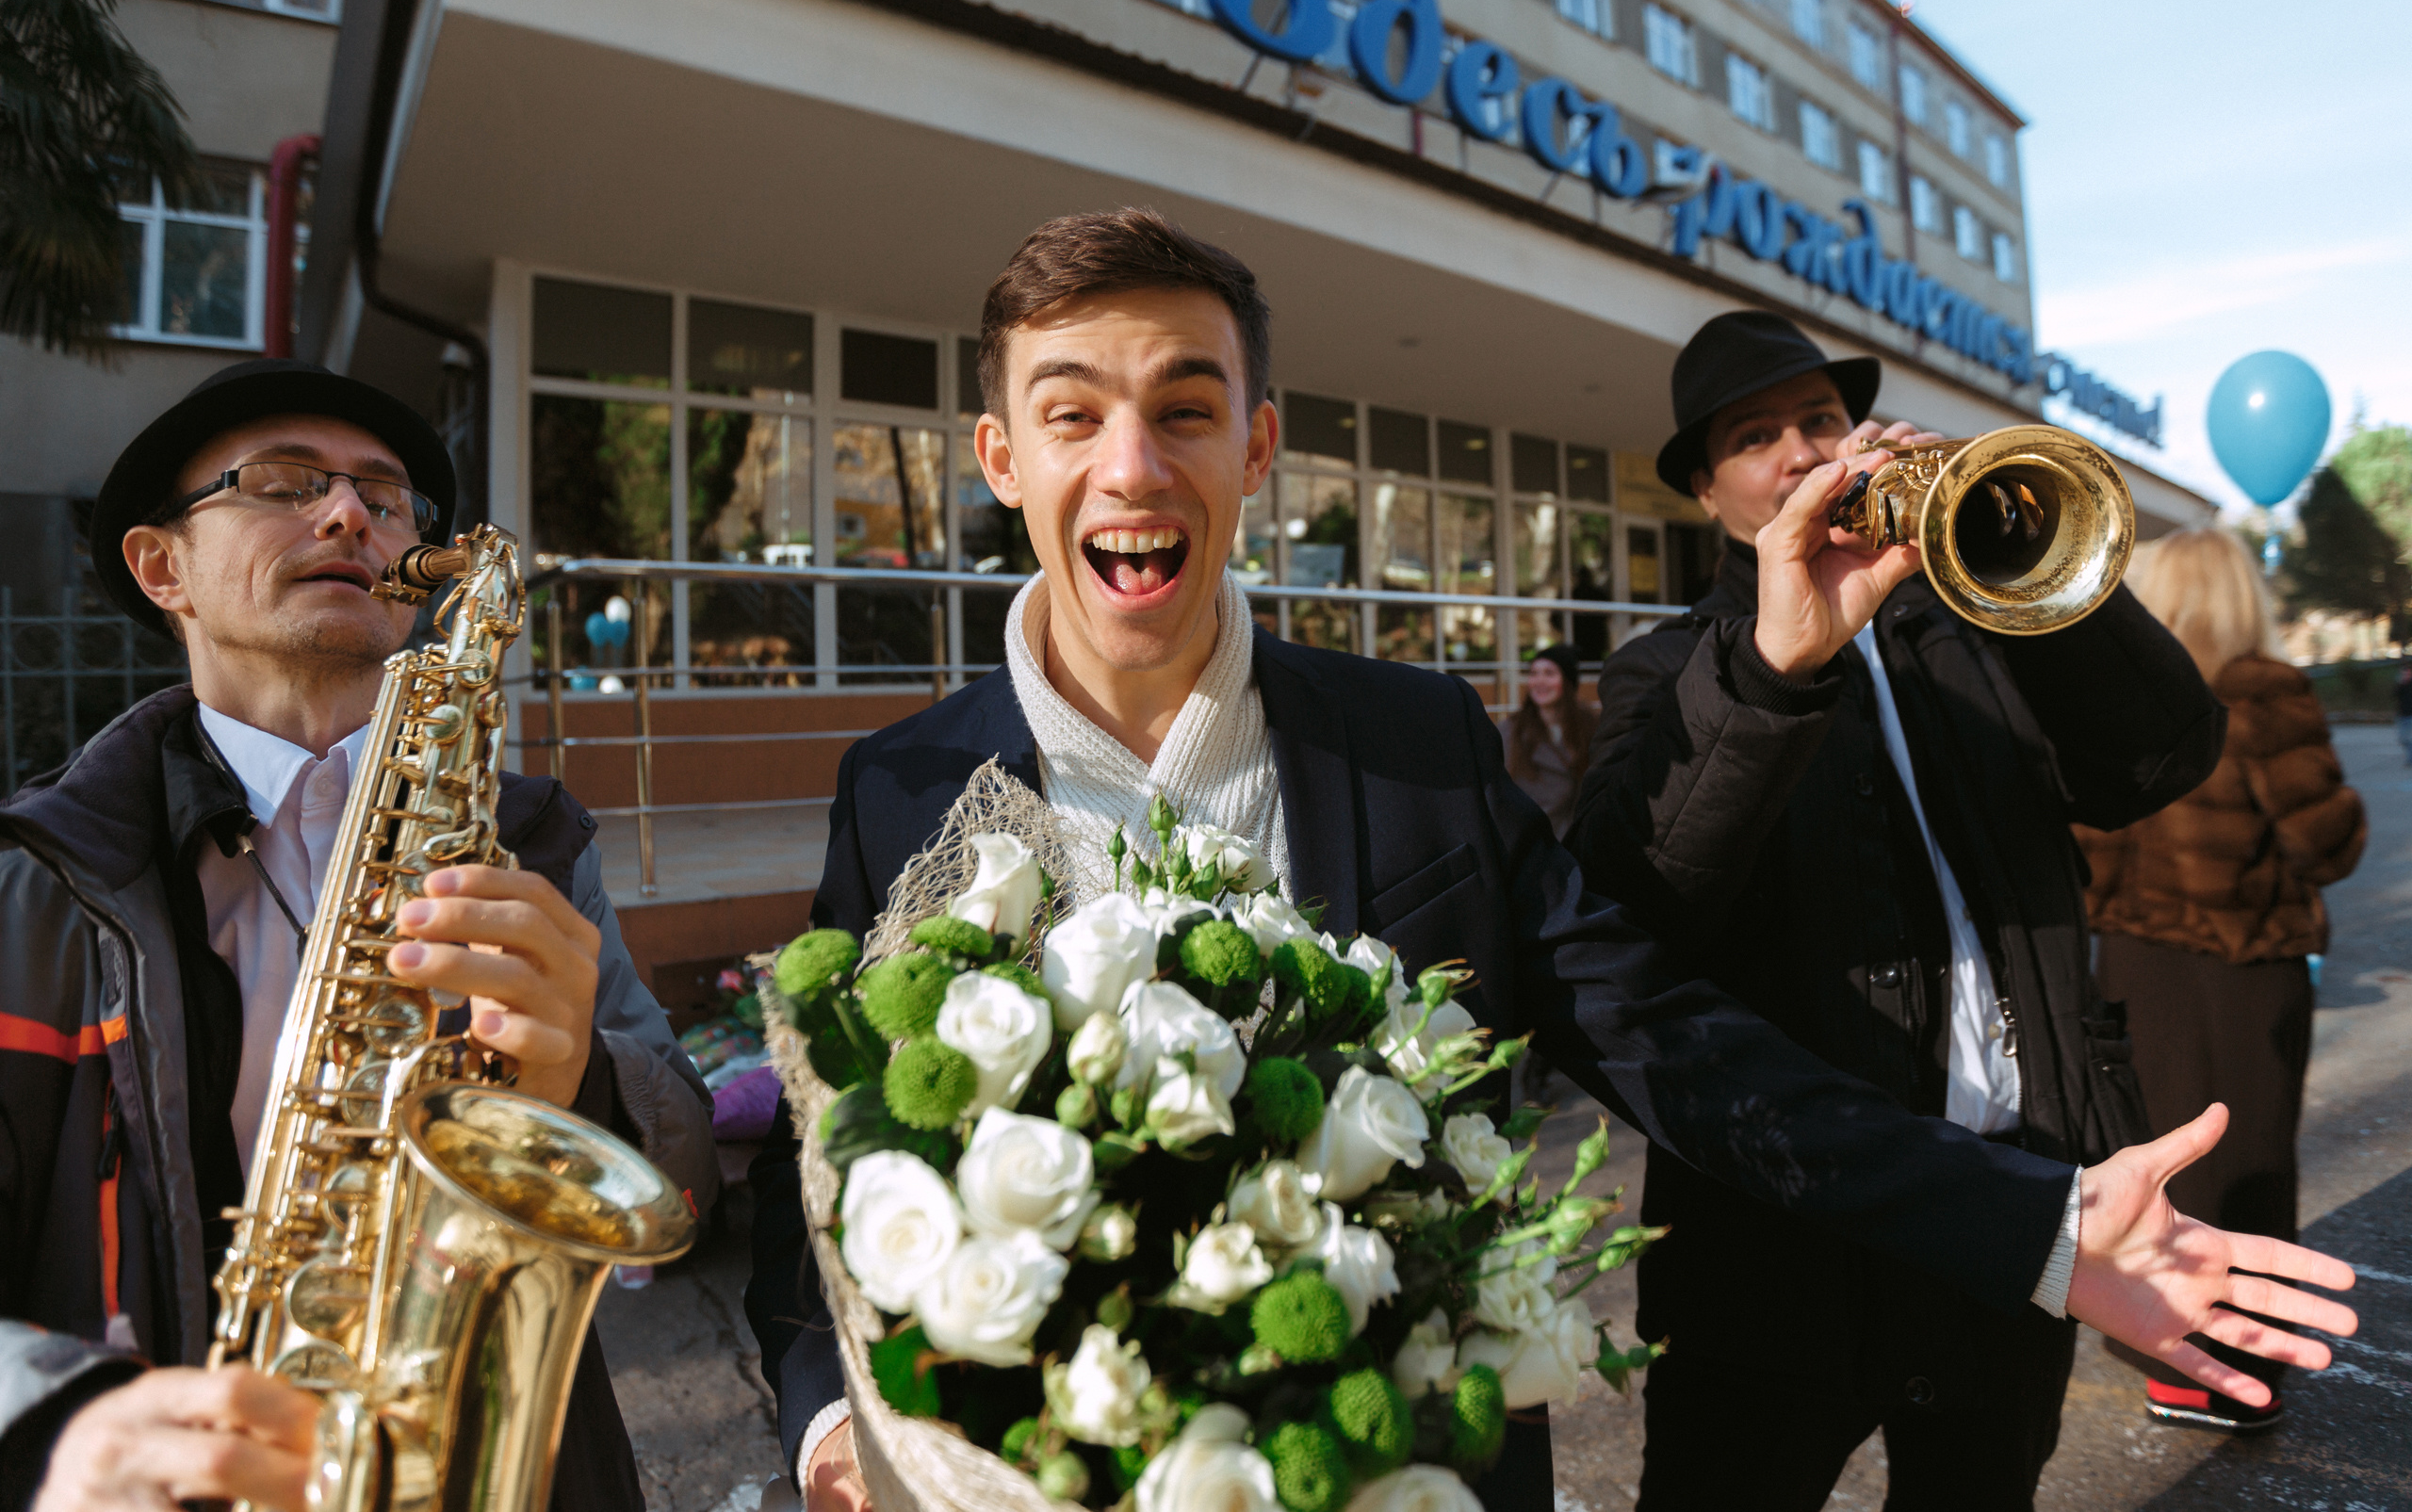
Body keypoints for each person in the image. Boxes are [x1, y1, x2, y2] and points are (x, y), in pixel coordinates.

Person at [746, 213, 2359, 1512]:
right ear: (998, 459)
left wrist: (2044, 1228)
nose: (1131, 464)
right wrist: (837, 1427)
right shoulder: (897, 790)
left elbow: (1672, 1030)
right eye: (1071, 414)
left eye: (1183, 408)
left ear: (1257, 449)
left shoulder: (1419, 743)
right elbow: (818, 1173)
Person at [0, 361, 717, 1512]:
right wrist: (51, 1428)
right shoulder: (31, 884)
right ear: (160, 566)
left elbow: (682, 1192)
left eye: (385, 502)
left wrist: (582, 1077)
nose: (349, 517)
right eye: (282, 483)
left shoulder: (529, 840)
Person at [1563, 309, 2241, 1511]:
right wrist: (1773, 666)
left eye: (1820, 419)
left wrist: (2015, 555)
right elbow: (1632, 903)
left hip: (2019, 1210)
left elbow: (2159, 761)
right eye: (1756, 435)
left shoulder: (1974, 633)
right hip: (1779, 1241)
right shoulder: (1668, 669)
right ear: (1708, 492)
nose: (1801, 451)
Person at [2075, 527, 2366, 1432]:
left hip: (2132, 962)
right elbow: (2328, 843)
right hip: (2244, 972)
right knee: (2247, 1161)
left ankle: (2165, 1356)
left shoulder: (2111, 698)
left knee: (2153, 1162)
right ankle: (2238, 1362)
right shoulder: (2263, 692)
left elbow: (2081, 845)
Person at [1503, 643, 1596, 837]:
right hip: (1528, 840)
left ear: (1568, 682)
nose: (1539, 681)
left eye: (1549, 673)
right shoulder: (1511, 731)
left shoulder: (1590, 728)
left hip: (1574, 840)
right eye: (1534, 673)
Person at [2393, 664, 2412, 764]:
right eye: (2404, 674)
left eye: (2408, 673)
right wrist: (2400, 683)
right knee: (2402, 739)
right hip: (2401, 715)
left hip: (2411, 715)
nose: (2406, 675)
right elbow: (2393, 695)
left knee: (2410, 738)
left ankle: (2410, 759)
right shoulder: (2400, 685)